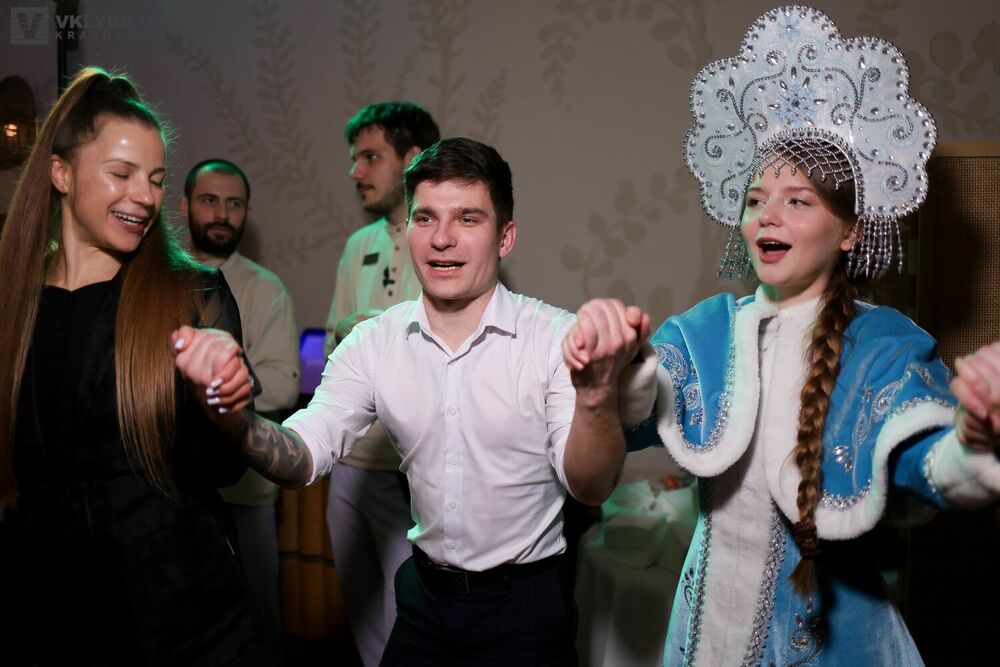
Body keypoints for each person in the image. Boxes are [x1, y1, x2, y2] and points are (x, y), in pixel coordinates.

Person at [565, 7, 1000, 665]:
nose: (767, 214)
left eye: (798, 199)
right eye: (756, 199)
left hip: (835, 642)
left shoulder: (881, 344)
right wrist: (611, 365)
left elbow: (925, 466)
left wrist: (972, 438)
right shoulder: (709, 328)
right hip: (701, 635)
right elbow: (634, 419)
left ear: (851, 230)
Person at [174, 137, 653, 666]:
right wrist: (230, 418)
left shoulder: (553, 338)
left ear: (505, 237)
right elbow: (304, 455)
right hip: (424, 598)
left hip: (525, 605)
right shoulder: (373, 342)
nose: (442, 239)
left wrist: (595, 396)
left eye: (468, 219)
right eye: (425, 218)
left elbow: (590, 485)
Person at [0, 68, 259, 665]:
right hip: (47, 612)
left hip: (179, 620)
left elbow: (221, 467)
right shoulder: (13, 303)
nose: (145, 196)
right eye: (122, 174)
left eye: (156, 180)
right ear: (61, 173)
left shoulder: (191, 293)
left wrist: (223, 402)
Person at [323, 101, 439, 666]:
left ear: (412, 159)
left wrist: (380, 336)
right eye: (356, 159)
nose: (356, 171)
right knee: (361, 610)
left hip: (410, 467)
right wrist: (353, 330)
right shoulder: (357, 246)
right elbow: (333, 343)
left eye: (370, 157)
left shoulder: (444, 241)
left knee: (411, 618)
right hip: (349, 460)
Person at [183, 158, 300, 665]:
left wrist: (206, 387)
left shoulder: (265, 288)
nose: (221, 214)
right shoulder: (157, 277)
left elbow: (284, 383)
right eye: (209, 200)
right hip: (174, 489)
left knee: (256, 620)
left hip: (247, 489)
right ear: (185, 205)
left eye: (234, 204)